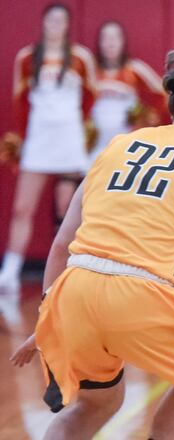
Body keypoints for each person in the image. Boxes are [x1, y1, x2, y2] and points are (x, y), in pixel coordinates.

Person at [10, 45, 174, 438]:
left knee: (97, 403)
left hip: (73, 292)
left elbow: (62, 243)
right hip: (143, 295)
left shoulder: (116, 145)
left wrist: (49, 318)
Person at [0, 3, 96, 291]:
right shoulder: (27, 58)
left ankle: (74, 270)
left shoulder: (80, 58)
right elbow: (19, 102)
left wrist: (77, 130)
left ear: (67, 25)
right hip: (39, 142)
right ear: (43, 23)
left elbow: (90, 98)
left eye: (61, 20)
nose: (55, 24)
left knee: (69, 209)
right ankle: (10, 272)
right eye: (51, 19)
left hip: (69, 141)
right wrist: (25, 136)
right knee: (21, 208)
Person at [90, 20, 168, 162]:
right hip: (96, 147)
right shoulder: (91, 70)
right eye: (105, 38)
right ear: (99, 42)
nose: (110, 43)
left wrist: (148, 118)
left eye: (115, 38)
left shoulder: (134, 69)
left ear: (123, 41)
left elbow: (165, 94)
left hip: (126, 145)